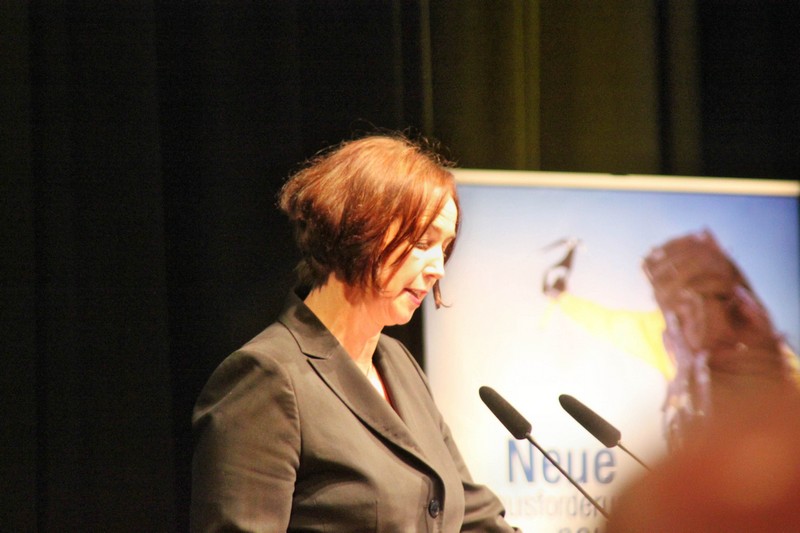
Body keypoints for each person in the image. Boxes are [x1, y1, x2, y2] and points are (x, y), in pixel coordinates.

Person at [190, 134, 519, 532]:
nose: (438, 269)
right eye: (422, 242)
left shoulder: (398, 364)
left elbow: (472, 516)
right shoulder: (268, 378)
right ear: (358, 231)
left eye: (444, 247)